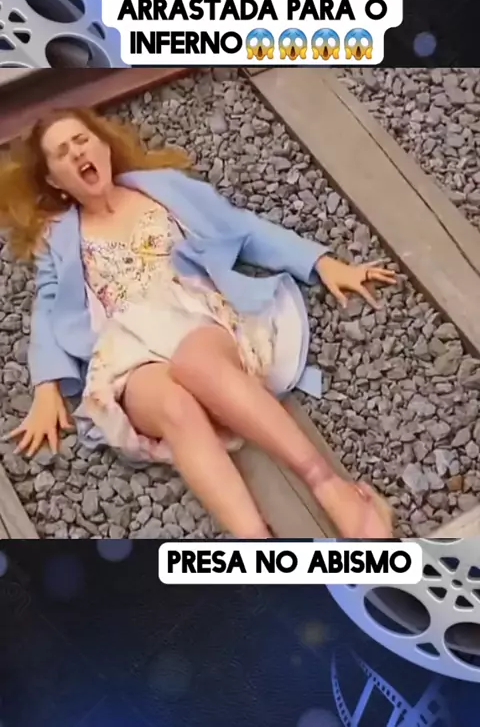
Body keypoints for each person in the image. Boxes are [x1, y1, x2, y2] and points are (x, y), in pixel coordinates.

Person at [0, 108, 397, 539]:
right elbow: (49, 307)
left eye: (82, 140)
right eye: (62, 152)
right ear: (55, 181)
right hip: (129, 348)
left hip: (195, 317)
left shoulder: (164, 189)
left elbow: (243, 229)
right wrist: (46, 388)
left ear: (103, 147)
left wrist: (319, 262)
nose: (77, 153)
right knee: (174, 406)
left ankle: (331, 487)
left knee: (196, 363)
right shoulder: (59, 237)